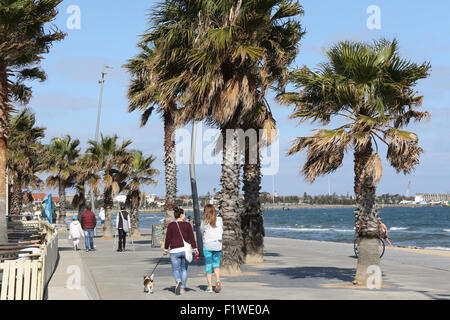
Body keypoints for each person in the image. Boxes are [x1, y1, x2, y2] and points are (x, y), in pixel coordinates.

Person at [163, 207, 199, 295]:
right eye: (184, 214)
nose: (185, 216)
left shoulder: (171, 225)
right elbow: (191, 238)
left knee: (176, 269)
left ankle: (178, 280)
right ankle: (182, 288)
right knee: (184, 270)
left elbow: (168, 238)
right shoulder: (187, 225)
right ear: (181, 215)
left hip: (174, 250)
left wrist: (165, 249)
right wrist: (195, 249)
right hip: (185, 250)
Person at [200, 204, 223, 293]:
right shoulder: (220, 220)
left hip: (207, 245)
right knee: (216, 265)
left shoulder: (204, 222)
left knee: (208, 265)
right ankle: (217, 281)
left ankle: (209, 287)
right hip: (218, 244)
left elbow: (202, 232)